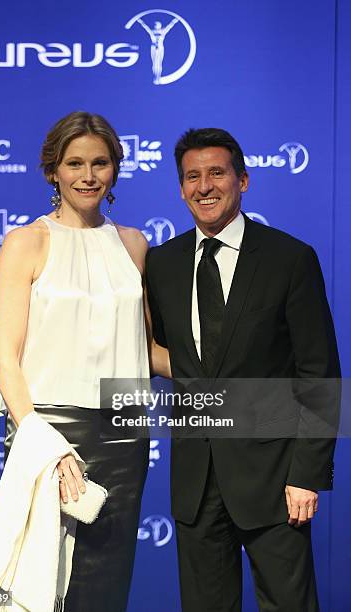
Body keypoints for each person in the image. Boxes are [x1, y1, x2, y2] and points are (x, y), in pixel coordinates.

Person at [145, 127, 341, 611]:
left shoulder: (289, 259)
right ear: (180, 187)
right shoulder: (163, 264)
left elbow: (319, 373)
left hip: (276, 482)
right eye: (192, 176)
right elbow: (168, 356)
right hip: (195, 483)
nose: (204, 186)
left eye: (216, 173)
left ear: (243, 181)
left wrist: (306, 474)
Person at [0, 111, 170, 612]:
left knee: (104, 586)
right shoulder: (26, 241)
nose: (87, 175)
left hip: (123, 431)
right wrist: (44, 443)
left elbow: (149, 350)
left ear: (114, 169)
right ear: (53, 171)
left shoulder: (133, 244)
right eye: (74, 163)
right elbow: (4, 358)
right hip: (49, 431)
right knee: (39, 585)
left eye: (100, 162)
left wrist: (232, 367)